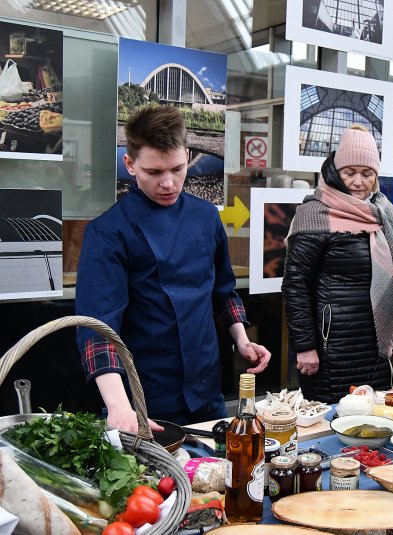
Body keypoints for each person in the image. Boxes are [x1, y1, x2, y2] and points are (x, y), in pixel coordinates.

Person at [76, 106, 271, 432]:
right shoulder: (109, 232)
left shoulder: (207, 216)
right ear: (130, 164)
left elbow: (222, 290)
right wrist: (119, 405)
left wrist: (241, 339)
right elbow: (98, 329)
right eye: (153, 172)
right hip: (144, 402)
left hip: (208, 391)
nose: (168, 183)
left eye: (178, 169)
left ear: (188, 154)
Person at [281, 124, 393, 402]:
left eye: (367, 174)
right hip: (332, 350)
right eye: (350, 173)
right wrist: (305, 347)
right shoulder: (315, 213)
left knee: (376, 423)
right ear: (336, 171)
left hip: (377, 346)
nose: (359, 181)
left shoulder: (382, 210)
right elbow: (295, 286)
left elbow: (385, 274)